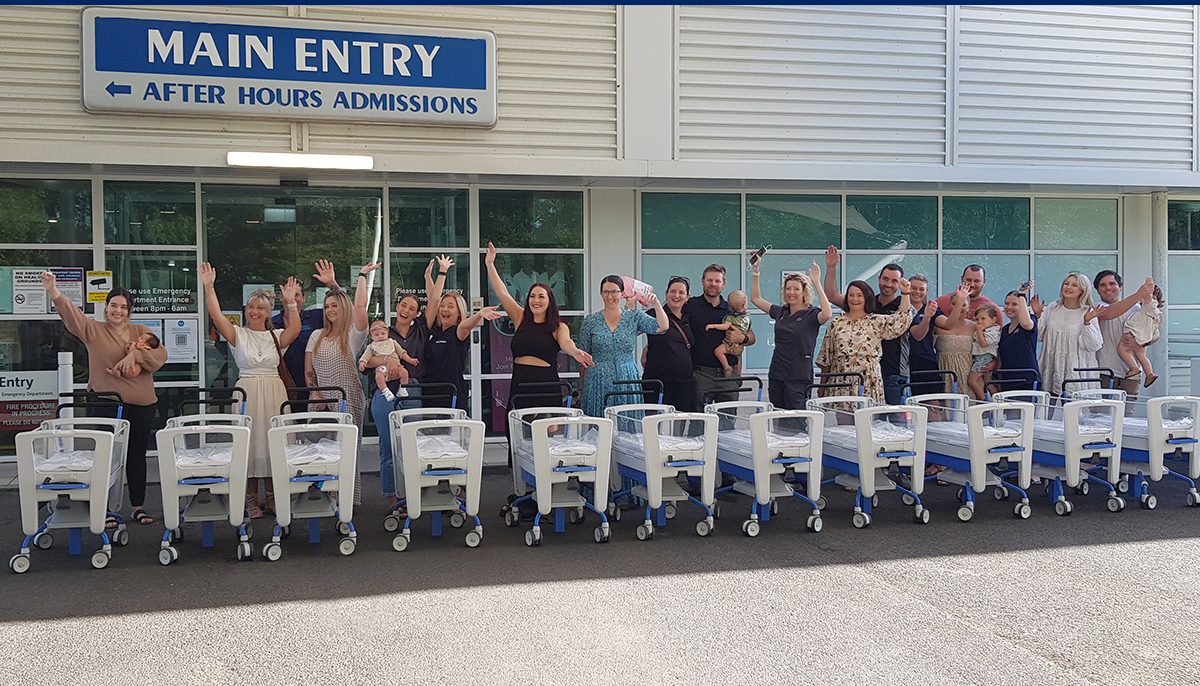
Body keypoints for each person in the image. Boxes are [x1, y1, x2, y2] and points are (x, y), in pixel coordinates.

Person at [41, 271, 167, 527]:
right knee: (107, 456)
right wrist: (54, 291)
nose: (117, 311)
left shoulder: (141, 331)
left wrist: (135, 357)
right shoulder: (94, 330)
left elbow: (160, 358)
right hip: (106, 403)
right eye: (113, 305)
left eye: (123, 307)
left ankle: (138, 507)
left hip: (142, 404)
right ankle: (106, 508)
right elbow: (72, 316)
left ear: (129, 311)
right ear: (106, 307)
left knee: (136, 455)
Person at [200, 263, 302, 519]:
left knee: (270, 443)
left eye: (261, 308)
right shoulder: (237, 334)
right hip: (247, 392)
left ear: (268, 312)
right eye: (252, 307)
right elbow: (217, 317)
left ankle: (272, 497)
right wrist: (209, 288)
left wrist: (290, 304)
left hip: (273, 391)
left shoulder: (276, 336)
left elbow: (296, 330)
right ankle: (250, 500)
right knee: (249, 444)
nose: (255, 311)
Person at [486, 242, 593, 411]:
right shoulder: (520, 317)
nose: (536, 300)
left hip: (545, 383)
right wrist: (490, 264)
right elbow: (502, 292)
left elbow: (566, 343)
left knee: (546, 433)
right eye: (532, 296)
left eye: (541, 297)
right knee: (516, 432)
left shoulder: (558, 327)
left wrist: (575, 352)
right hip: (520, 382)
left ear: (550, 300)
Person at [305, 259, 375, 506]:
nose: (330, 310)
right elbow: (309, 371)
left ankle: (345, 498)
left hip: (348, 398)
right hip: (320, 399)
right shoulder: (317, 335)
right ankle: (319, 497)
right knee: (318, 449)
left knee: (346, 450)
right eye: (326, 306)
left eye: (334, 305)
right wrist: (316, 396)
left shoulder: (353, 336)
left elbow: (358, 306)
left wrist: (357, 278)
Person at [824, 247, 911, 404]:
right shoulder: (865, 305)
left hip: (889, 373)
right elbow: (832, 295)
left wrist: (906, 294)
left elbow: (902, 321)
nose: (889, 284)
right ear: (879, 279)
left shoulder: (899, 306)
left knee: (890, 424)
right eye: (885, 279)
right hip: (845, 376)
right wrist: (831, 267)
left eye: (894, 281)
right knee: (845, 425)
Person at [578, 275, 668, 417]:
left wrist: (656, 303)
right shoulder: (591, 321)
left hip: (626, 377)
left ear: (622, 293)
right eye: (606, 292)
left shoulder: (633, 317)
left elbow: (662, 327)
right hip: (597, 380)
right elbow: (582, 356)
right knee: (599, 429)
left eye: (614, 291)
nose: (610, 296)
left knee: (627, 425)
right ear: (601, 293)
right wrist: (582, 387)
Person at [421, 255, 502, 408]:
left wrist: (478, 315)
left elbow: (465, 327)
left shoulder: (458, 332)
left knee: (453, 432)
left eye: (451, 306)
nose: (445, 309)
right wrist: (427, 277)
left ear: (459, 312)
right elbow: (434, 300)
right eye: (443, 306)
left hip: (452, 394)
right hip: (430, 392)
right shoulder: (434, 330)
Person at [750, 258, 831, 410]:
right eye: (788, 289)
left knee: (797, 420)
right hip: (777, 374)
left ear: (804, 291)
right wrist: (756, 272)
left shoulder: (811, 314)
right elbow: (756, 299)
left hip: (798, 377)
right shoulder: (781, 311)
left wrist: (817, 282)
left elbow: (827, 314)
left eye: (796, 289)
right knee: (778, 418)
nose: (791, 293)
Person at [684, 263, 755, 408]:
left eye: (717, 281)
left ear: (723, 284)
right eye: (710, 280)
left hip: (728, 375)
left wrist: (743, 338)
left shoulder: (732, 308)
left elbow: (752, 336)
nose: (713, 284)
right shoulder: (690, 305)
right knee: (699, 424)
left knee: (727, 425)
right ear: (703, 281)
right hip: (700, 374)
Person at [1033, 272, 1103, 398]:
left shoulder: (1088, 311)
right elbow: (1039, 337)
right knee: (1046, 409)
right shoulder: (1053, 308)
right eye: (1066, 283)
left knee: (1073, 412)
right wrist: (1038, 316)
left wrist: (1086, 322)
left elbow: (1094, 345)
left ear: (1083, 290)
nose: (1068, 287)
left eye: (1074, 285)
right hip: (1052, 367)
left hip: (1076, 370)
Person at [1092, 271, 1157, 396]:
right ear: (1098, 290)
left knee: (1127, 414)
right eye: (1103, 285)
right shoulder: (1095, 307)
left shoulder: (1138, 308)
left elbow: (1155, 332)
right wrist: (1139, 294)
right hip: (1104, 372)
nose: (1108, 288)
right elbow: (1108, 313)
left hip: (1131, 374)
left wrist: (1143, 341)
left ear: (1120, 287)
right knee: (1101, 413)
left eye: (1112, 284)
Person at [642, 276, 697, 412]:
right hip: (657, 382)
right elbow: (629, 328)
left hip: (684, 383)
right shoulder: (652, 314)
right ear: (666, 294)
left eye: (681, 292)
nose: (676, 295)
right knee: (654, 423)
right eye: (673, 291)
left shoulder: (690, 317)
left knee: (679, 426)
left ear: (687, 297)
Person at [271, 279, 323, 394]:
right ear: (281, 297)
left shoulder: (316, 318)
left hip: (312, 385)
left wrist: (332, 284)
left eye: (296, 294)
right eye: (287, 294)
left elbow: (342, 311)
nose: (291, 298)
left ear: (304, 298)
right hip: (281, 385)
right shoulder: (270, 324)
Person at [1116, 284, 1164, 388]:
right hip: (1142, 337)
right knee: (1141, 356)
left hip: (1136, 335)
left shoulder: (1148, 308)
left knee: (1122, 350)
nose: (1147, 299)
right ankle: (1149, 373)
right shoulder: (1154, 313)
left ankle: (1134, 368)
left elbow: (1156, 334)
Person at [994, 285, 1040, 392]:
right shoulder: (1005, 329)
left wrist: (1022, 295)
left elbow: (1025, 323)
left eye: (1015, 304)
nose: (1009, 307)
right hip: (1007, 381)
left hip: (1026, 381)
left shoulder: (1030, 321)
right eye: (1006, 303)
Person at [934, 287, 976, 397]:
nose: (959, 307)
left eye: (963, 304)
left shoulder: (974, 326)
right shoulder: (938, 325)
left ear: (969, 307)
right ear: (949, 305)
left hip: (967, 374)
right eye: (955, 303)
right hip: (944, 374)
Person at [359, 320, 416, 402]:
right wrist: (362, 362)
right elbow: (365, 357)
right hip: (382, 369)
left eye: (383, 333)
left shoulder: (392, 342)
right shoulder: (371, 347)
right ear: (371, 337)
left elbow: (402, 353)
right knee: (378, 377)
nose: (380, 336)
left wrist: (410, 360)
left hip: (397, 367)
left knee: (404, 373)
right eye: (376, 335)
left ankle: (402, 389)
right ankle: (385, 391)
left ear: (387, 333)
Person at [907, 274, 941, 395]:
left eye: (921, 289)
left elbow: (948, 324)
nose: (917, 291)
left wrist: (960, 301)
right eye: (913, 288)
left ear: (926, 292)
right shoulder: (899, 309)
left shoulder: (930, 309)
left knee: (933, 403)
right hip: (902, 363)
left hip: (926, 360)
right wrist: (927, 317)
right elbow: (917, 335)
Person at [706, 289, 751, 378]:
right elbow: (747, 329)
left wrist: (714, 326)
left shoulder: (731, 317)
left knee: (718, 351)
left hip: (729, 345)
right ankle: (737, 372)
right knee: (737, 356)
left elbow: (725, 326)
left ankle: (727, 367)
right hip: (739, 348)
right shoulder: (746, 317)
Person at [934, 264, 999, 315]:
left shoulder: (992, 309)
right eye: (969, 280)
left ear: (984, 282)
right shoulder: (941, 302)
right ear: (962, 279)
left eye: (977, 281)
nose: (972, 284)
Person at [967, 305, 1001, 400]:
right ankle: (998, 402)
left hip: (984, 358)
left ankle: (983, 400)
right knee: (988, 384)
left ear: (993, 319)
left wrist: (978, 330)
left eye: (983, 318)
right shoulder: (985, 330)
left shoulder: (993, 331)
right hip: (981, 358)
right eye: (977, 319)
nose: (979, 322)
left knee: (972, 381)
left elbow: (983, 344)